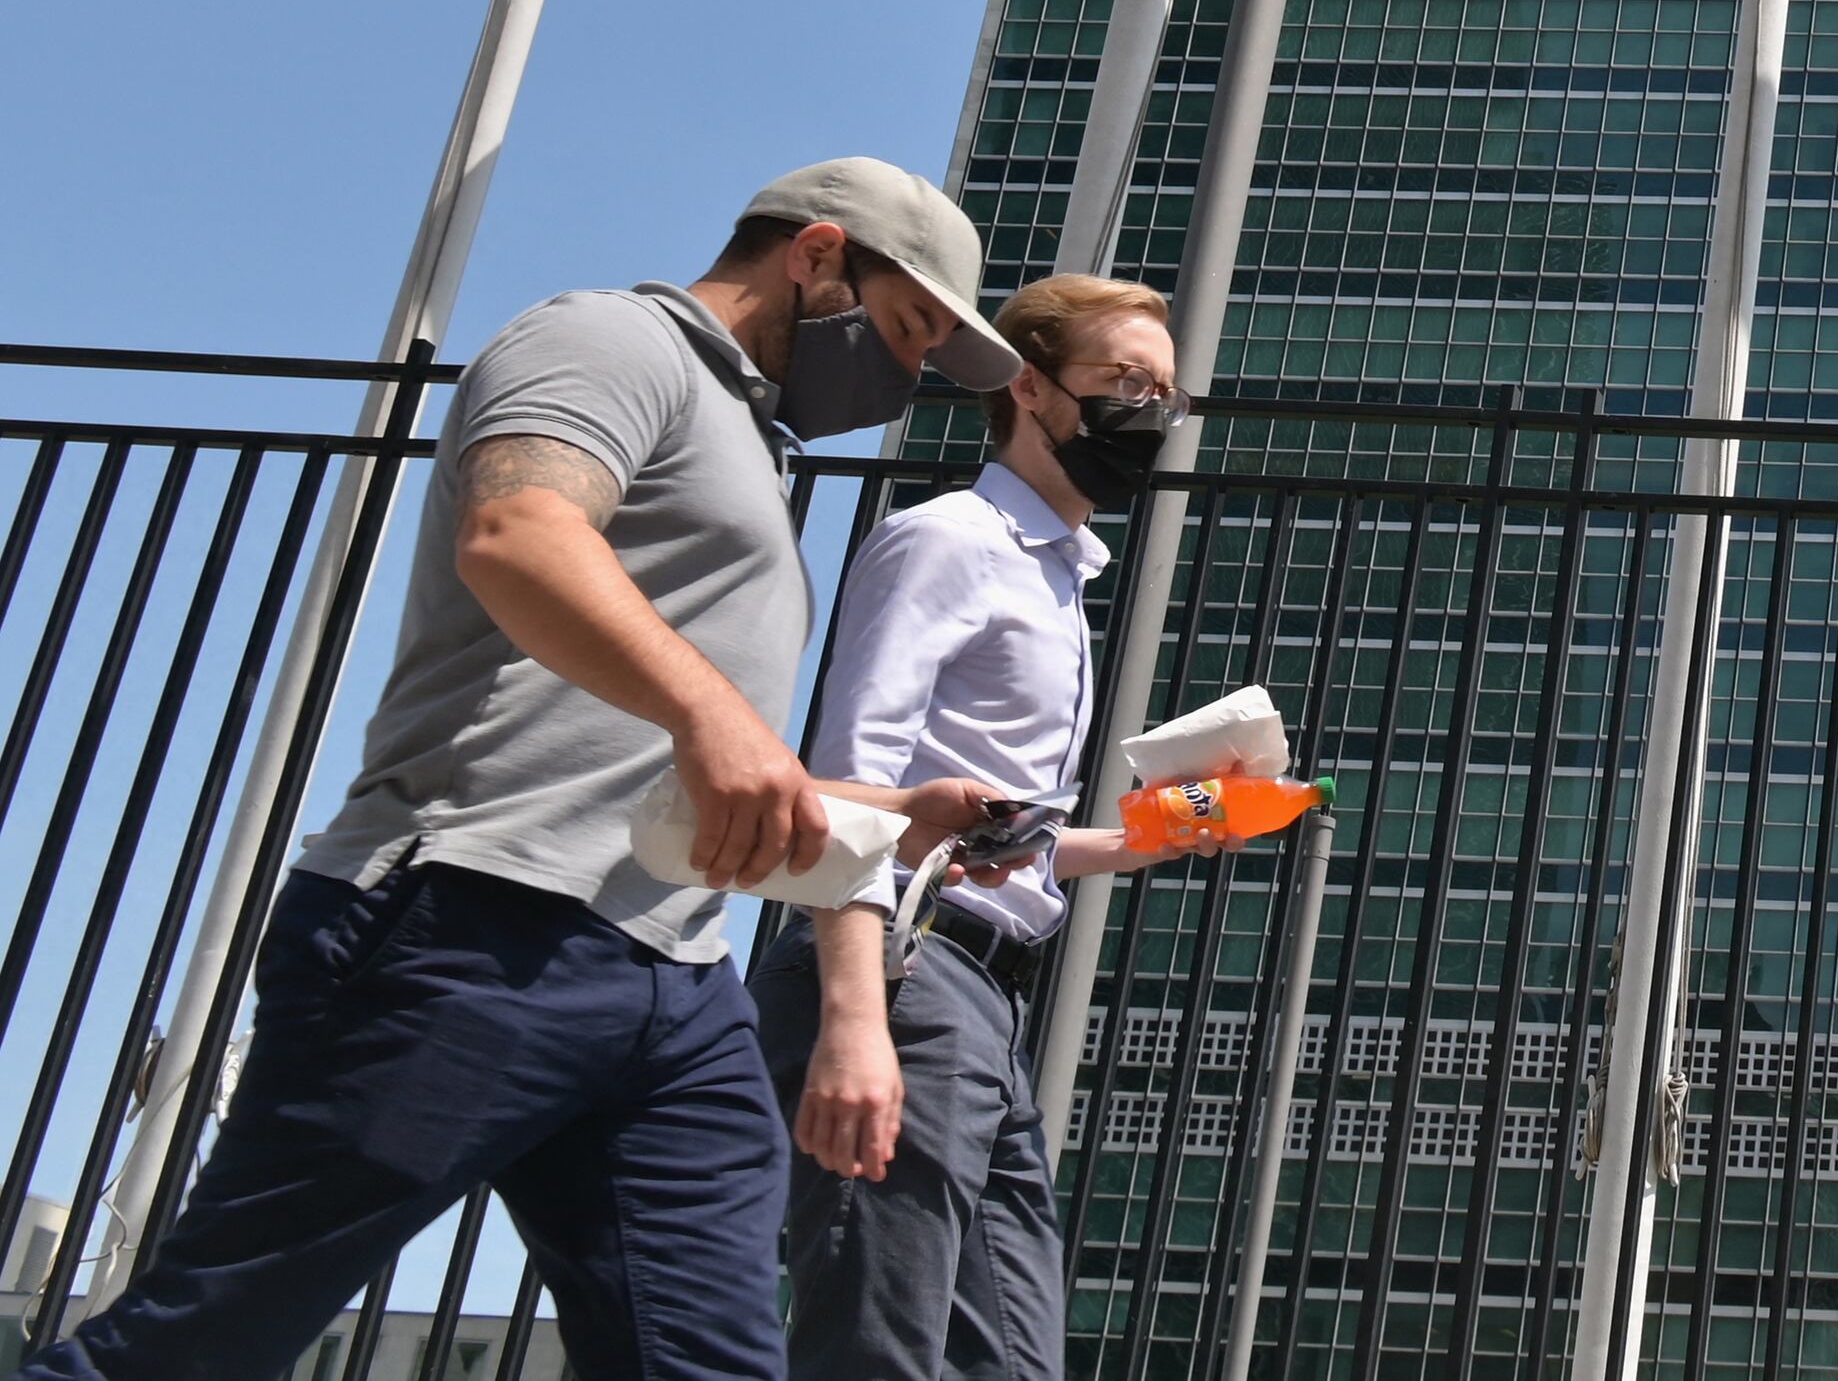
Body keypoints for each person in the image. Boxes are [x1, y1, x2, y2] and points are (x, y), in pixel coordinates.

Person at [29, 160, 1019, 1381]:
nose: (903, 377)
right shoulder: (607, 338)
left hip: (672, 971)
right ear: (818, 255)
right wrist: (714, 710)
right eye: (906, 328)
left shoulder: (754, 453)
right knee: (203, 1344)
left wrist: (890, 811)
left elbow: (680, 747)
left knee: (707, 1360)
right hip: (473, 917)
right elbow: (518, 533)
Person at [757, 270, 1235, 1381]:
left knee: (1010, 1361)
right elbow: (849, 785)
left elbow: (973, 831)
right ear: (1029, 385)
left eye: (1166, 393)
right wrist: (856, 1015)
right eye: (1124, 382)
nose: (1151, 414)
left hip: (980, 999)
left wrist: (1139, 841)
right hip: (905, 974)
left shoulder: (1058, 578)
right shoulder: (951, 542)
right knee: (878, 1346)